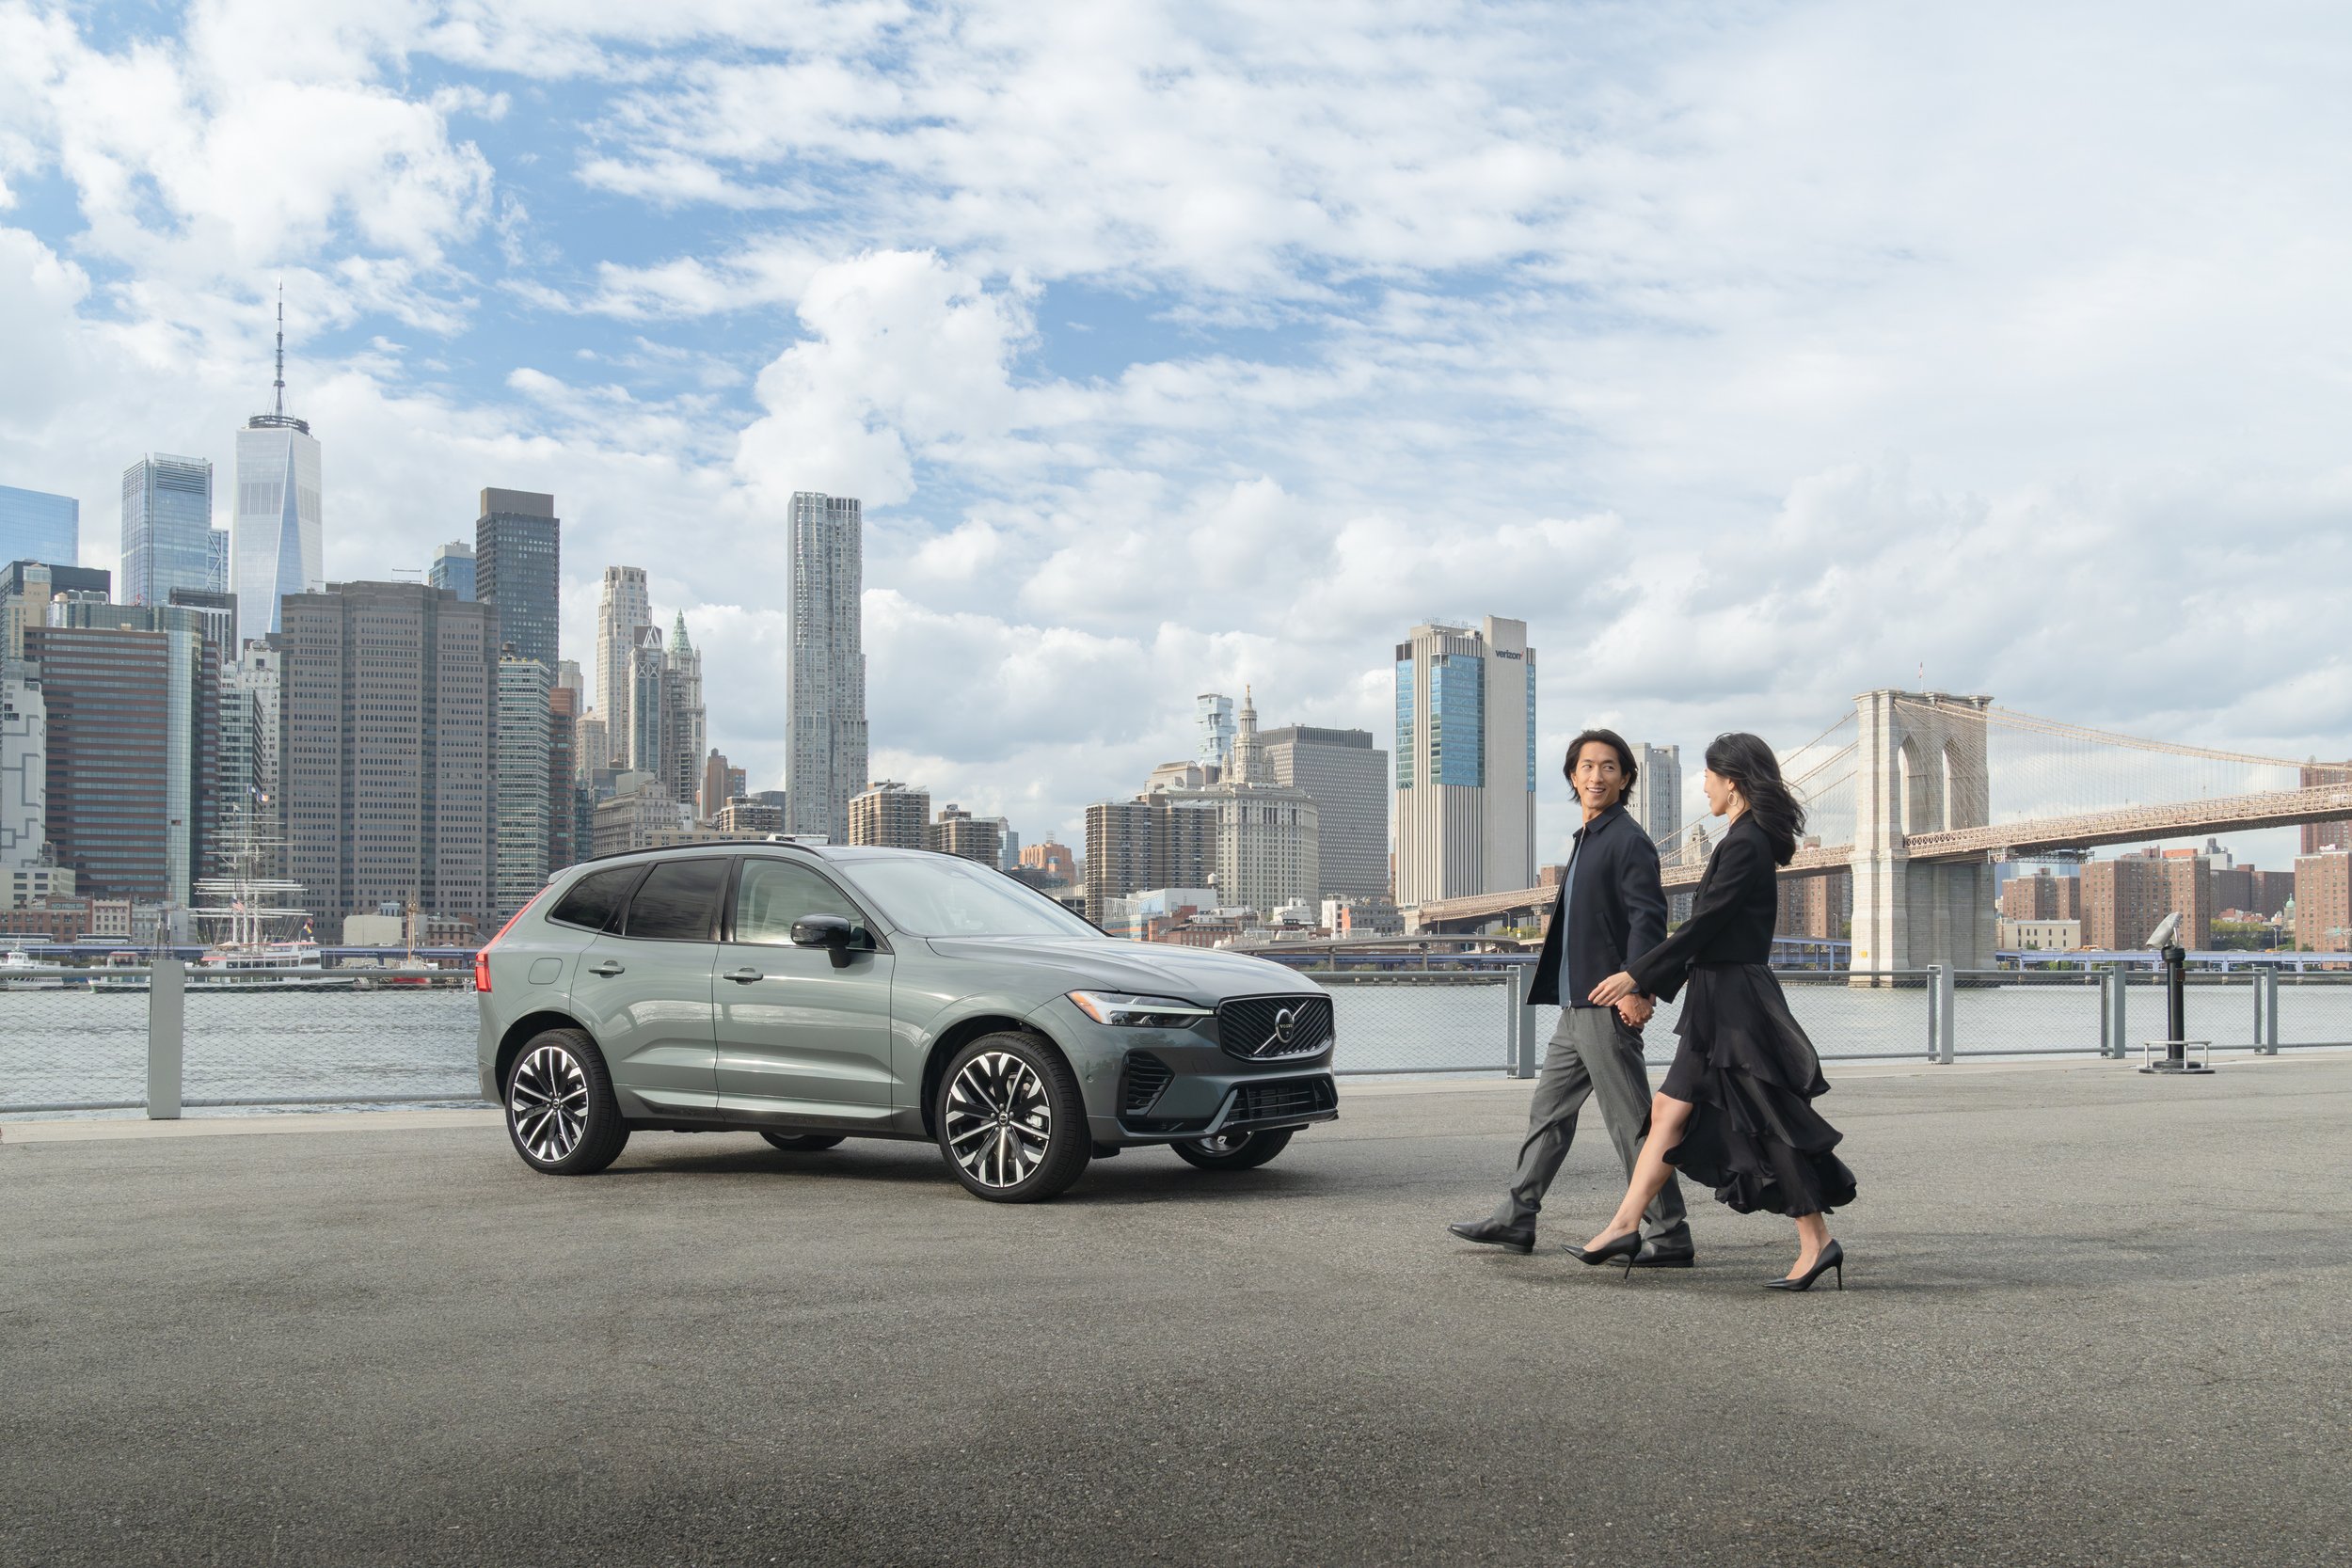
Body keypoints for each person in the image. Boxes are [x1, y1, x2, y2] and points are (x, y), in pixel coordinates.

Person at [1576, 733, 1858, 1291]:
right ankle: (1625, 1224)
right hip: (1717, 996)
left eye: (1708, 775)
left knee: (1766, 1118)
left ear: (1732, 780)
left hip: (1734, 1003)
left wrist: (1639, 975)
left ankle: (1817, 1241)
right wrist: (1657, 982)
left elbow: (1705, 926)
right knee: (1668, 1111)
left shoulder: (1747, 843)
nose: (1702, 785)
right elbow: (1707, 934)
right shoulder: (1742, 838)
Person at [1447, 729, 1693, 1265]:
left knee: (1632, 1124)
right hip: (1575, 1005)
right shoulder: (1589, 838)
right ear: (1572, 776)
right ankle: (1517, 1217)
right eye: (1586, 767)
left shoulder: (1628, 840)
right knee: (1548, 1116)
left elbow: (1647, 920)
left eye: (1608, 767)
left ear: (1625, 779)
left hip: (1607, 1003)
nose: (1596, 776)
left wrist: (1640, 986)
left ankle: (1670, 1234)